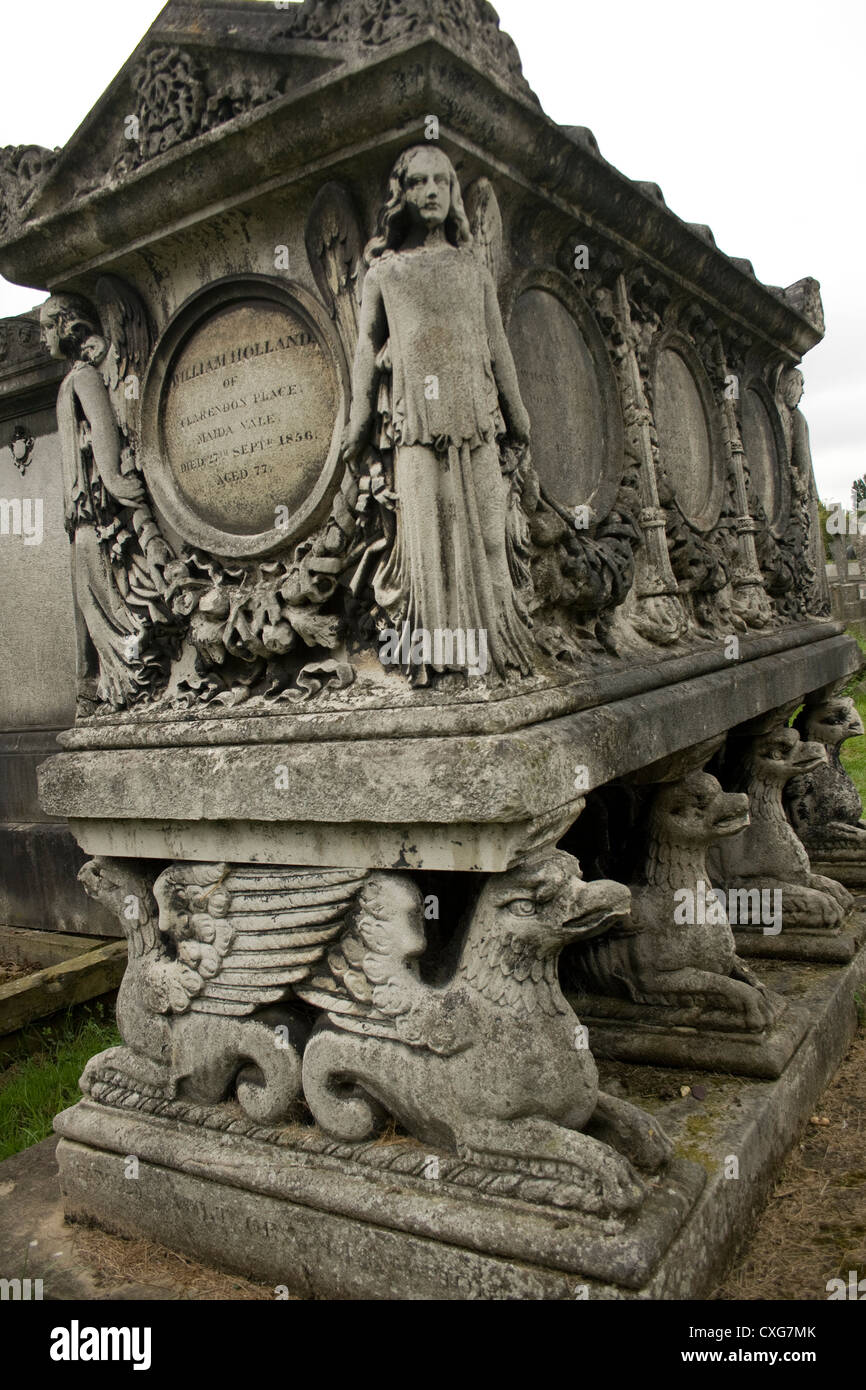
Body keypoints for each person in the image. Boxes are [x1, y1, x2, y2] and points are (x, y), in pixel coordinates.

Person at [342, 145, 534, 681]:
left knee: (491, 538)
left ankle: (499, 646)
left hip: (476, 418)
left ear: (453, 196)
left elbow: (498, 346)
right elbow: (365, 346)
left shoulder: (472, 270)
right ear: (401, 195)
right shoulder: (386, 272)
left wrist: (517, 412)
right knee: (426, 540)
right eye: (419, 182)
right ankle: (439, 654)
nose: (430, 191)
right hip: (414, 424)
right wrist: (359, 417)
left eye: (441, 182)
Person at [40, 294, 170, 709]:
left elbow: (102, 425)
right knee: (89, 602)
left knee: (101, 600)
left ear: (66, 326)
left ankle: (129, 678)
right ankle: (107, 682)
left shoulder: (84, 377)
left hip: (95, 516)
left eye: (46, 327)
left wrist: (113, 478)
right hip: (81, 516)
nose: (42, 338)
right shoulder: (72, 378)